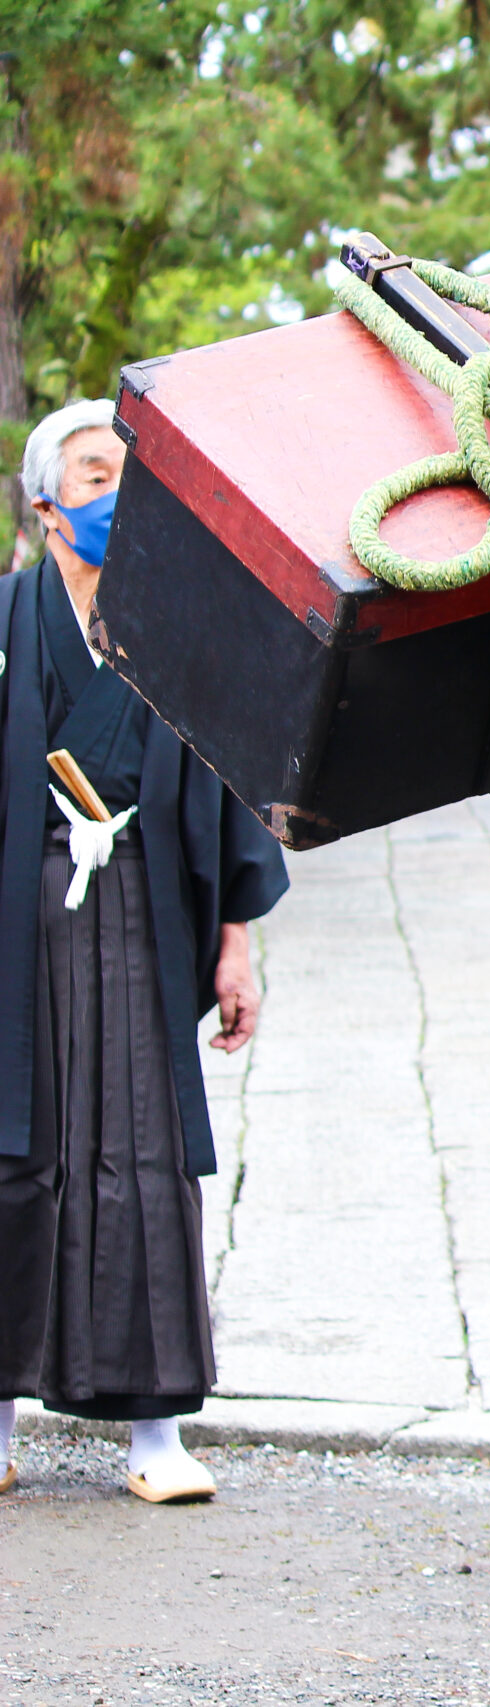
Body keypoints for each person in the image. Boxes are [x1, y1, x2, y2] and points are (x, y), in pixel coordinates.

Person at [0, 399, 289, 1504]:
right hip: (16, 915)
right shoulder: (8, 621)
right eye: (89, 475)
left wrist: (236, 948)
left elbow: (228, 797)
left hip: (143, 908)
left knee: (143, 1157)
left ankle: (155, 1435)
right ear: (44, 510)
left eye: (125, 473)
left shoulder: (176, 633)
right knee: (11, 1162)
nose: (113, 494)